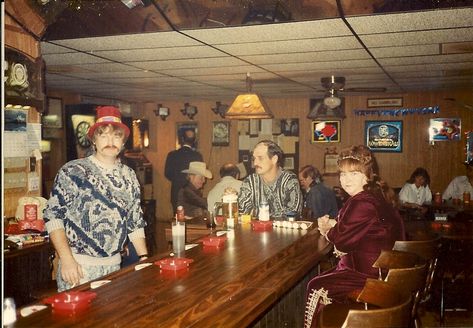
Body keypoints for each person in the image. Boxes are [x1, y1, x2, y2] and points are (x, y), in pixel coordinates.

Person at [43, 106, 148, 292]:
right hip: (78, 267)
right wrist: (66, 259)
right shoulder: (74, 171)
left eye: (116, 136)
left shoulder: (129, 176)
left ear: (123, 142)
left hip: (114, 266)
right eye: (104, 135)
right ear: (94, 140)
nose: (110, 141)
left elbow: (135, 221)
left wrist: (144, 257)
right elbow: (53, 217)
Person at [304, 145, 405, 328]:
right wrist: (336, 225)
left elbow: (342, 242)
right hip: (386, 272)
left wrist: (327, 228)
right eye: (343, 174)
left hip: (371, 276)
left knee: (315, 286)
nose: (346, 179)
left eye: (354, 174)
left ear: (367, 175)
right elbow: (360, 228)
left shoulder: (361, 201)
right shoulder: (375, 196)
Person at [238, 140, 303, 218]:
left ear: (274, 159)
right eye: (254, 159)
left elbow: (293, 212)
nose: (255, 163)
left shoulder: (289, 180)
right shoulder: (250, 181)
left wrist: (259, 214)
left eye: (260, 158)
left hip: (283, 230)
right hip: (257, 229)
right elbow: (243, 210)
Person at [165, 128, 203, 212]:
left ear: (182, 139)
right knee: (194, 220)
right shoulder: (197, 156)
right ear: (194, 140)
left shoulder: (172, 155)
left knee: (178, 219)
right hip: (192, 193)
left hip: (176, 190)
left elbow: (167, 173)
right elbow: (200, 175)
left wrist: (177, 180)